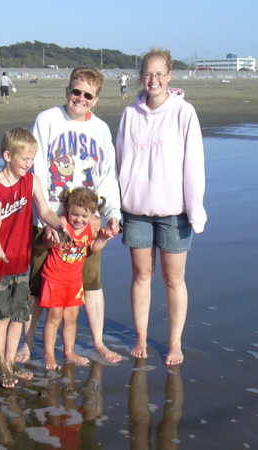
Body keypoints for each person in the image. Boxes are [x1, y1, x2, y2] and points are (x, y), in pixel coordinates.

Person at [15, 67, 122, 364]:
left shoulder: (100, 129)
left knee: (90, 283)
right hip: (49, 221)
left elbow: (107, 178)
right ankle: (26, 343)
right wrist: (48, 219)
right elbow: (36, 174)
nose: (81, 98)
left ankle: (98, 343)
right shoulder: (48, 119)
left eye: (88, 95)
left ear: (96, 99)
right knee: (37, 284)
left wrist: (112, 215)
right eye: (77, 91)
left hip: (86, 223)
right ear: (68, 91)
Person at [116, 48, 207, 365]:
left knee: (173, 280)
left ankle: (174, 343)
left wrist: (195, 211)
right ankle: (140, 337)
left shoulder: (184, 113)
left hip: (174, 212)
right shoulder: (130, 114)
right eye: (148, 73)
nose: (153, 80)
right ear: (141, 76)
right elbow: (120, 161)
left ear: (169, 76)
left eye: (159, 73)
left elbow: (194, 165)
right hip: (136, 211)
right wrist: (116, 209)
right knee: (142, 275)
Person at [0, 127, 70, 388]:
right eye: (24, 159)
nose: (28, 165)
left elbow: (45, 210)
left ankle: (11, 360)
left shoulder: (32, 181)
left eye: (32, 160)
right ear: (8, 155)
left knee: (18, 315)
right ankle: (0, 365)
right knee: (1, 316)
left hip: (20, 258)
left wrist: (61, 225)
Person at [41, 187, 114, 370]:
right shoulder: (61, 223)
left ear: (92, 215)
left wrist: (103, 238)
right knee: (54, 317)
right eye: (75, 214)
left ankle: (69, 351)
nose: (79, 220)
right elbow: (47, 243)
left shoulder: (90, 227)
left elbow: (93, 248)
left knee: (71, 317)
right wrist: (51, 237)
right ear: (68, 208)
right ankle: (49, 355)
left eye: (84, 216)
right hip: (54, 279)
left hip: (74, 281)